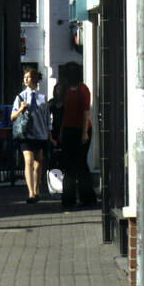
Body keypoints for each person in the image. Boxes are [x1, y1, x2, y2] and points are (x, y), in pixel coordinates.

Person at [59, 67, 97, 208]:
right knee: (69, 165)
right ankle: (69, 197)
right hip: (69, 130)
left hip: (81, 130)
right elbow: (66, 113)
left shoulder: (83, 89)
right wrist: (62, 130)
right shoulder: (68, 91)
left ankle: (86, 197)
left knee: (80, 164)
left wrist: (84, 132)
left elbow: (86, 111)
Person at [11, 67, 49, 203]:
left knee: (38, 164)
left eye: (28, 77)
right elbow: (12, 116)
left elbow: (46, 119)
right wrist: (21, 108)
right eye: (24, 77)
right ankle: (31, 193)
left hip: (40, 134)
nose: (26, 80)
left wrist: (49, 135)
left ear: (34, 79)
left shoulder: (42, 98)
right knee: (28, 161)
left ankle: (37, 188)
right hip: (25, 134)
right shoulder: (20, 97)